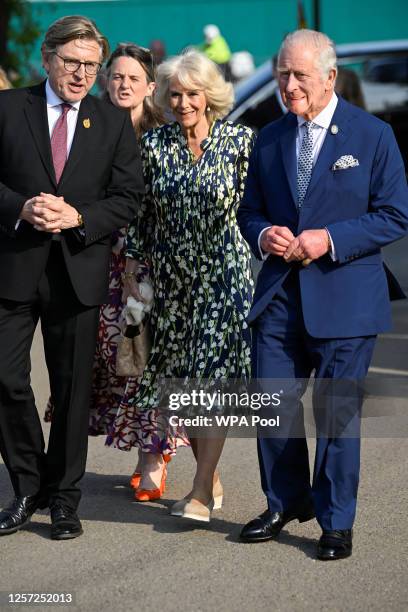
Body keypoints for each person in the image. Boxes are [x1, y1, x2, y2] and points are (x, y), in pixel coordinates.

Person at [237, 29, 408, 560]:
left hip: (346, 298)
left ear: (330, 77)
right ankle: (285, 501)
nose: (288, 85)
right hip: (280, 298)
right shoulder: (268, 138)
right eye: (283, 73)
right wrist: (264, 234)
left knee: (336, 415)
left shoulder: (373, 135)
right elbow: (251, 212)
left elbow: (395, 214)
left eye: (300, 75)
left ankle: (335, 521)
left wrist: (329, 239)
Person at [0, 15, 143, 540]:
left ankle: (63, 498)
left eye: (92, 65)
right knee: (6, 378)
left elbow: (127, 198)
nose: (83, 74)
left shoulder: (111, 122)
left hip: (77, 272)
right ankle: (27, 482)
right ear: (46, 57)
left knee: (70, 390)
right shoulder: (9, 108)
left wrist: (79, 217)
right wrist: (21, 207)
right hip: (13, 267)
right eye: (73, 62)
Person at [125, 49, 255, 517]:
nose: (183, 103)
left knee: (211, 380)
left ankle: (200, 489)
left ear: (210, 95)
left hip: (224, 279)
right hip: (171, 284)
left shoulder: (242, 142)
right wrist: (134, 279)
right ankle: (210, 477)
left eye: (192, 93)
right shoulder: (154, 146)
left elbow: (258, 210)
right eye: (175, 94)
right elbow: (140, 219)